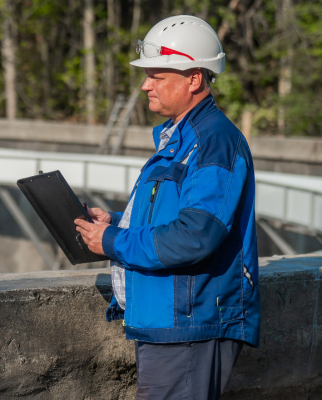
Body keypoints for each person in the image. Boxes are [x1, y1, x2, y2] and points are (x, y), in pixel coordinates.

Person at [74, 15, 260, 399]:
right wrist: (116, 223)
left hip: (190, 325)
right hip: (170, 322)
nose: (145, 85)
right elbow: (172, 217)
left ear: (194, 78)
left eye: (157, 76)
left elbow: (195, 237)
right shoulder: (183, 139)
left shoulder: (214, 143)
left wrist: (113, 242)